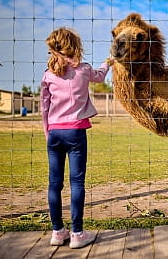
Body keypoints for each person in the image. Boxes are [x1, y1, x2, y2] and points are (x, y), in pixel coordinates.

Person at [40, 27, 114, 249]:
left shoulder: (47, 74)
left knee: (54, 183)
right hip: (75, 132)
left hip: (54, 133)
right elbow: (100, 77)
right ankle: (77, 234)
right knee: (77, 183)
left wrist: (48, 132)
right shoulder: (84, 70)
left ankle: (57, 232)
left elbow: (44, 107)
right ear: (75, 47)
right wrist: (107, 63)